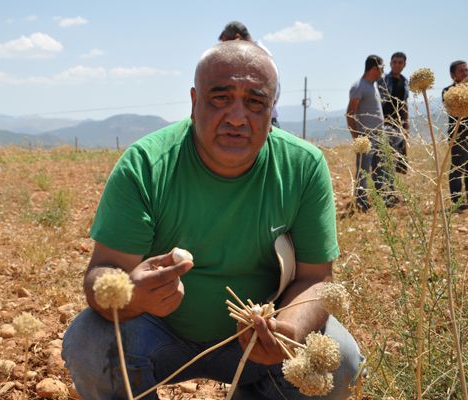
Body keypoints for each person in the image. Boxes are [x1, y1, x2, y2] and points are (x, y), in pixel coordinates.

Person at [62, 41, 363, 400]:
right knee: (91, 342)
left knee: (338, 359)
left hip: (258, 345)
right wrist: (133, 295)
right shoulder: (146, 165)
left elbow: (316, 277)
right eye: (220, 98)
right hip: (156, 334)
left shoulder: (303, 167)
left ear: (271, 109)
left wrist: (288, 332)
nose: (237, 117)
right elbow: (102, 271)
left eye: (254, 102)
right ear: (193, 102)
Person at [346, 55, 393, 211]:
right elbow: (350, 113)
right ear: (374, 68)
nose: (384, 71)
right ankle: (361, 203)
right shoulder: (359, 87)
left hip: (380, 136)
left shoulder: (373, 86)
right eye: (382, 67)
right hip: (366, 138)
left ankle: (381, 199)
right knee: (363, 171)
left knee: (381, 168)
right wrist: (357, 137)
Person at [219, 21, 281, 128]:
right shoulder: (251, 54)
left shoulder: (257, 55)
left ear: (237, 38)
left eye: (227, 45)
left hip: (262, 124)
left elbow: (271, 90)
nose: (225, 50)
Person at [378, 52, 410, 179]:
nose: (397, 65)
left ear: (404, 65)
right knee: (383, 158)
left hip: (398, 125)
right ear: (390, 64)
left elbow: (405, 104)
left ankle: (391, 190)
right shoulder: (383, 80)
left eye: (400, 62)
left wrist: (406, 126)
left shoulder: (405, 81)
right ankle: (383, 191)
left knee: (395, 159)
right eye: (394, 62)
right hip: (384, 124)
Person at [442, 60, 468, 211]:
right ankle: (457, 202)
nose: (465, 73)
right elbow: (450, 107)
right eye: (462, 71)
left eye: (467, 70)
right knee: (457, 168)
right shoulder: (448, 91)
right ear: (453, 75)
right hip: (458, 136)